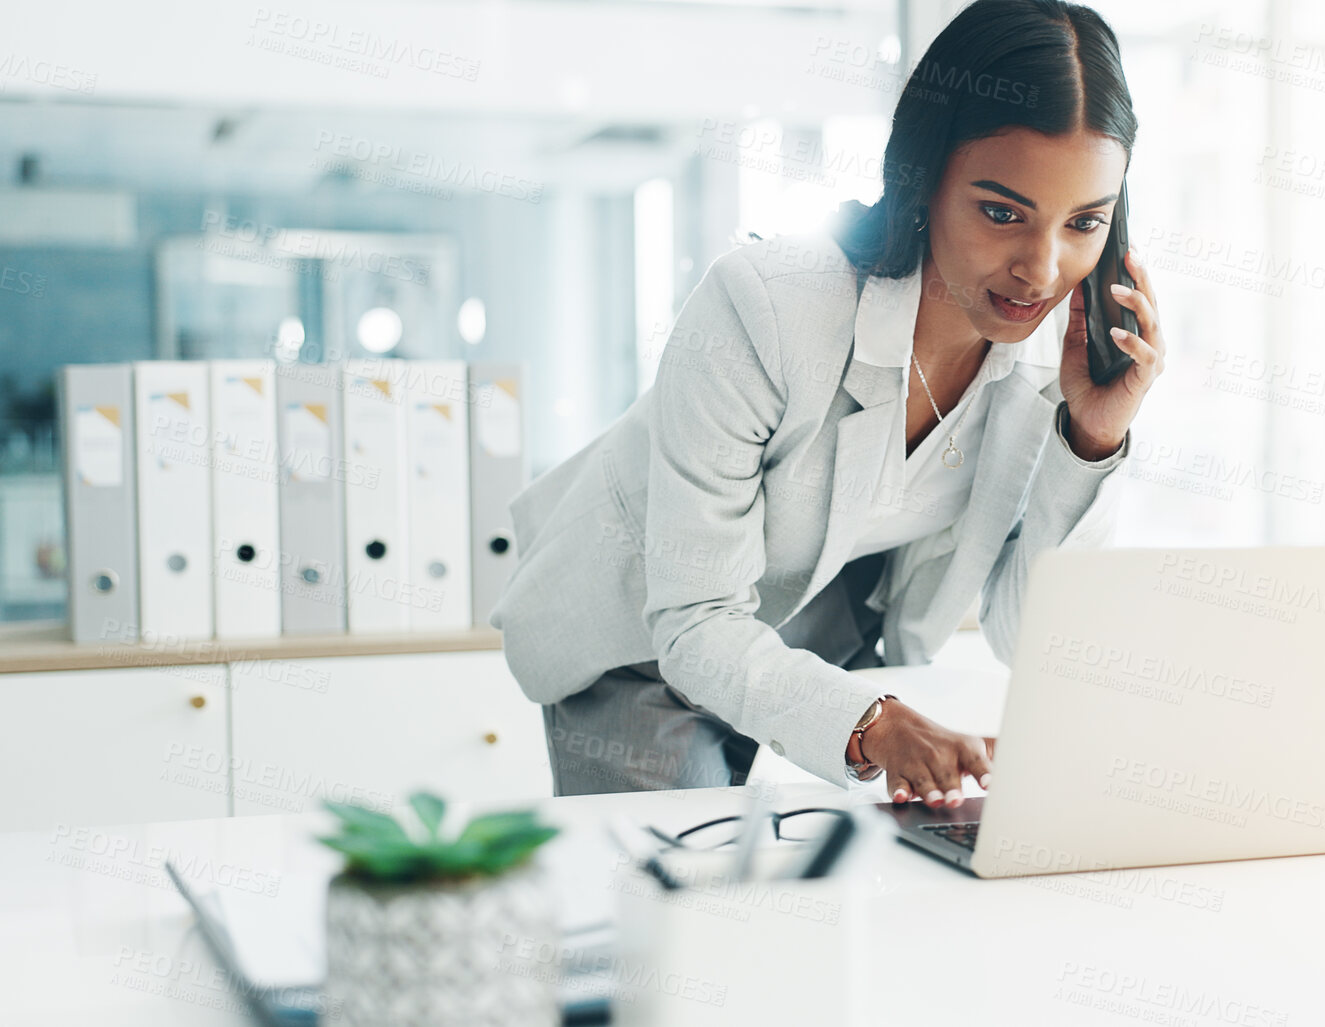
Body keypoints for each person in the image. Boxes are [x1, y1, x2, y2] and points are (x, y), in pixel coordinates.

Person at [492, 0, 1165, 807]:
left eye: (1083, 223)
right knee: (686, 910)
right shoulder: (766, 310)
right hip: (644, 646)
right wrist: (872, 722)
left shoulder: (1047, 364)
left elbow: (1029, 637)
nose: (1040, 268)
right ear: (925, 178)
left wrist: (1092, 436)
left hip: (824, 647)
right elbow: (696, 621)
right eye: (1000, 212)